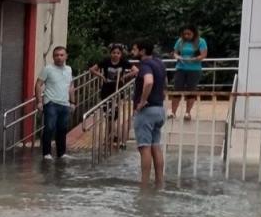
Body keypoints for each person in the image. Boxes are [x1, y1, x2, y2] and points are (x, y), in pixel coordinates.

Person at [131, 41, 167, 187]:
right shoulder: (159, 63)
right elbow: (164, 81)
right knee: (155, 146)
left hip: (147, 111)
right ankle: (159, 182)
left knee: (144, 147)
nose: (132, 51)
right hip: (159, 109)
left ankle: (144, 184)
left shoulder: (145, 66)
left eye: (134, 49)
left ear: (142, 51)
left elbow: (149, 82)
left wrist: (142, 101)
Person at [34, 46, 75, 160]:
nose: (59, 57)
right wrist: (39, 102)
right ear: (53, 57)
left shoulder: (69, 69)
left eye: (61, 55)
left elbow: (71, 86)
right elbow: (38, 84)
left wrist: (72, 102)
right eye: (56, 55)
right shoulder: (48, 69)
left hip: (65, 103)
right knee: (49, 127)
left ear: (66, 56)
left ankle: (61, 153)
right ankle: (47, 153)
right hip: (51, 103)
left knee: (62, 129)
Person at [89, 44, 130, 146]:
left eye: (118, 53)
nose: (115, 55)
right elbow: (92, 69)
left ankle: (111, 135)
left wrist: (124, 77)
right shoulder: (106, 61)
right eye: (113, 53)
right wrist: (102, 76)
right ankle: (110, 135)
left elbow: (136, 70)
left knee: (114, 113)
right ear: (110, 53)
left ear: (121, 54)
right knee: (108, 114)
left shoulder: (123, 62)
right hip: (106, 89)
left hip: (118, 89)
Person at [170, 25, 207, 121]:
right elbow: (174, 52)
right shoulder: (180, 41)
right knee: (177, 89)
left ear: (194, 33)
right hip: (180, 68)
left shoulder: (201, 41)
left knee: (191, 90)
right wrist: (177, 56)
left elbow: (203, 55)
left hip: (194, 69)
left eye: (189, 34)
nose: (186, 36)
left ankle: (187, 112)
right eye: (184, 34)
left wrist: (195, 59)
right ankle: (173, 112)